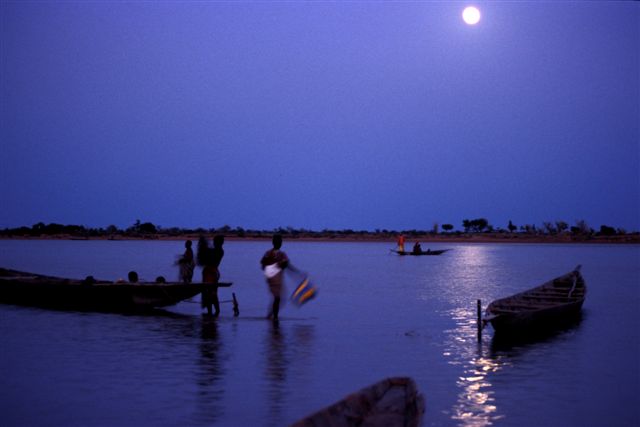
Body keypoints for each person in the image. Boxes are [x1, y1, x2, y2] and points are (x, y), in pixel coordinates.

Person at [260, 234, 289, 321]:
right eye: (277, 242)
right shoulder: (270, 254)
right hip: (274, 279)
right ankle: (274, 317)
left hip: (276, 278)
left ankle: (271, 316)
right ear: (273, 243)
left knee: (278, 298)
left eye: (279, 242)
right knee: (277, 298)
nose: (279, 243)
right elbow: (263, 264)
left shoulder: (280, 254)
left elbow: (263, 265)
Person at [197, 235, 225, 316]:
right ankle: (214, 313)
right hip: (211, 272)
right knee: (211, 292)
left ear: (218, 242)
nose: (213, 242)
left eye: (215, 241)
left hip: (211, 273)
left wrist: (203, 247)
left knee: (210, 293)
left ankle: (213, 312)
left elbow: (210, 258)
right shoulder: (217, 250)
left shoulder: (219, 251)